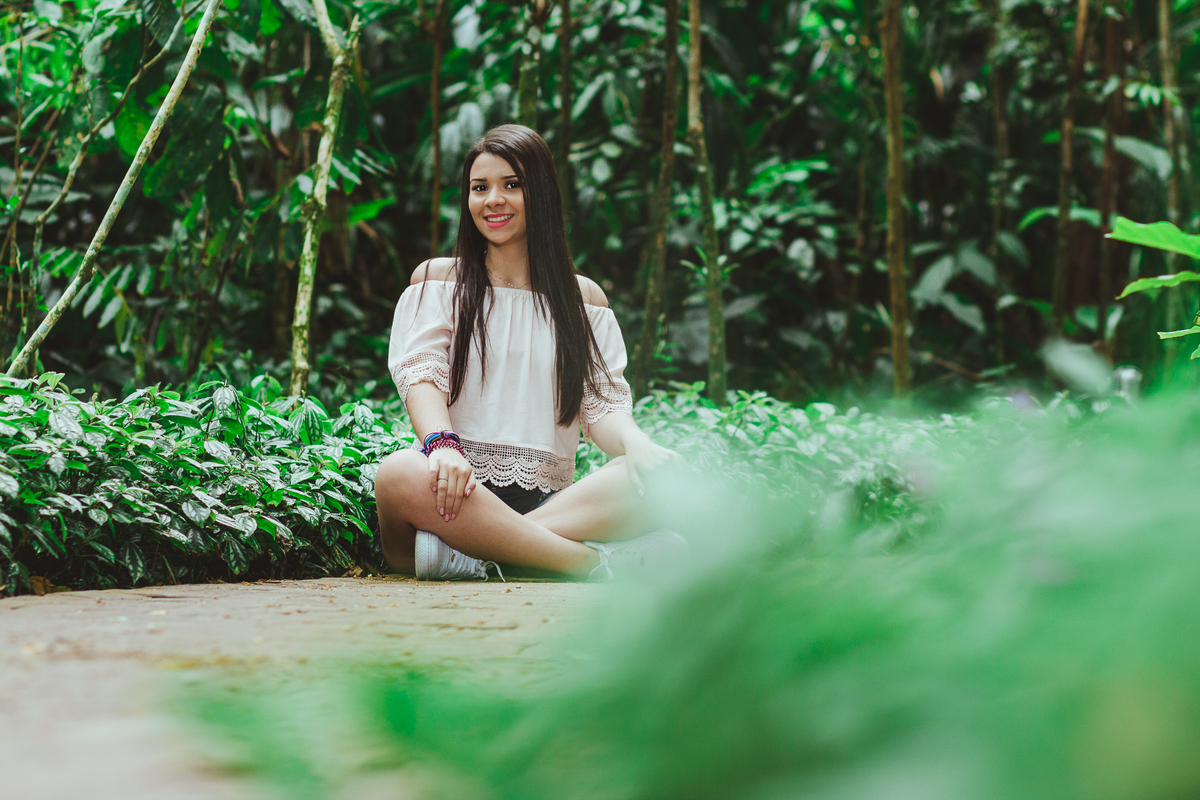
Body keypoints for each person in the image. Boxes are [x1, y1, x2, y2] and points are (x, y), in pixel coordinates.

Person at [373, 124, 687, 581]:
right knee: (399, 474)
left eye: (511, 185)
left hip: (555, 504)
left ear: (540, 194)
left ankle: (474, 555)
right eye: (480, 188)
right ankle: (592, 565)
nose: (492, 200)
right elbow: (422, 377)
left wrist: (639, 445)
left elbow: (601, 409)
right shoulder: (439, 281)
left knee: (657, 480)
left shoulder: (584, 301)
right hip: (453, 491)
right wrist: (442, 446)